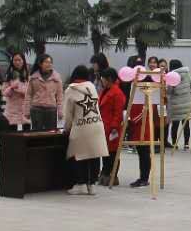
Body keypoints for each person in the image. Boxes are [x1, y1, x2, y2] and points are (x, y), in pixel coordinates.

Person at [63, 65, 107, 194]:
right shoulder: (92, 87)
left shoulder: (71, 89)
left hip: (81, 126)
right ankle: (92, 185)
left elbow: (68, 113)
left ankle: (80, 184)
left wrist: (67, 128)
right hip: (96, 125)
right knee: (94, 154)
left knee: (79, 154)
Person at [97, 67, 125, 186]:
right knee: (105, 152)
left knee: (113, 153)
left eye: (103, 78)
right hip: (104, 126)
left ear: (109, 79)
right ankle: (105, 173)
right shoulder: (106, 90)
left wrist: (114, 127)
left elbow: (118, 113)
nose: (101, 80)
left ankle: (112, 175)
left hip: (112, 128)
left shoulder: (117, 93)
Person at [26, 54, 63, 131]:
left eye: (50, 62)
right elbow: (28, 95)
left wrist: (60, 111)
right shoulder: (33, 77)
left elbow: (59, 96)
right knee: (36, 133)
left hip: (51, 110)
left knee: (51, 133)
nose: (49, 64)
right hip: (36, 109)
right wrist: (26, 111)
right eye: (46, 62)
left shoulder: (56, 78)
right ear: (40, 64)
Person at [166, 59, 191, 148]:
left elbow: (169, 91)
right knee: (186, 124)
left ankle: (174, 143)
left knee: (175, 125)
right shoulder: (186, 73)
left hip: (176, 104)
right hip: (186, 102)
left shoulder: (172, 75)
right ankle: (186, 144)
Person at [2, 52, 31, 130]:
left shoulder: (28, 75)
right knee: (12, 131)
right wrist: (11, 88)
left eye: (19, 60)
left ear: (23, 61)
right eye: (15, 60)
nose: (17, 62)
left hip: (25, 108)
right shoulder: (9, 75)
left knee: (27, 130)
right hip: (12, 109)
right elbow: (4, 92)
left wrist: (20, 90)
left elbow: (31, 92)